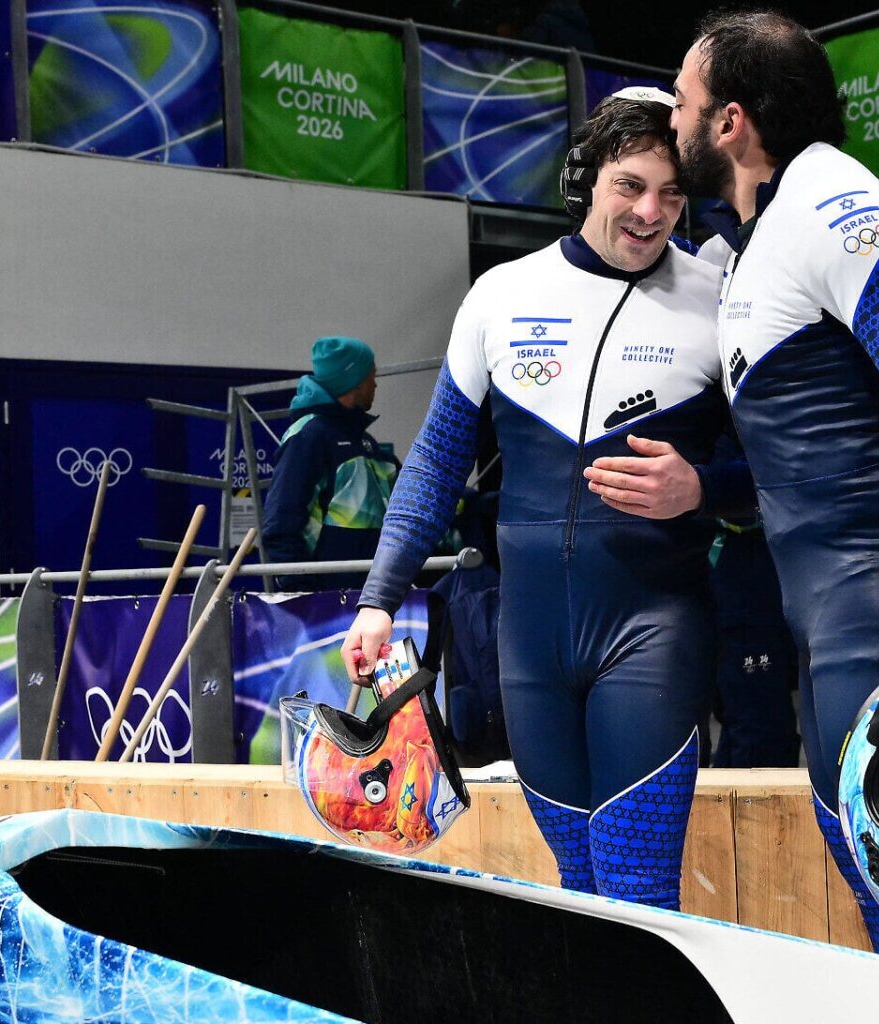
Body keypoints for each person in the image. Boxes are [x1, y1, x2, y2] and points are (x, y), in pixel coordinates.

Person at [598, 9, 879, 969]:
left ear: (731, 122)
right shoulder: (754, 242)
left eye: (688, 98)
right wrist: (703, 488)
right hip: (836, 603)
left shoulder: (831, 198)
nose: (676, 111)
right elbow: (806, 460)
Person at [341, 93, 753, 910]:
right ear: (585, 180)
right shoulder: (501, 295)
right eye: (629, 186)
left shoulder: (722, 296)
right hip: (529, 644)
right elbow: (434, 462)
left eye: (672, 194)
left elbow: (788, 469)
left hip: (652, 625)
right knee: (578, 893)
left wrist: (703, 487)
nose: (650, 213)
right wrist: (380, 598)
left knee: (639, 889)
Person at [260, 336, 397, 592]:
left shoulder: (364, 441)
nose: (375, 383)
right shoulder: (309, 435)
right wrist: (301, 592)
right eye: (371, 375)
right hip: (327, 599)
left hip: (368, 593)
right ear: (354, 380)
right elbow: (281, 520)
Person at [707, 435, 802, 769]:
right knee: (759, 725)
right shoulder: (730, 415)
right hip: (741, 587)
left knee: (758, 722)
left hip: (783, 581)